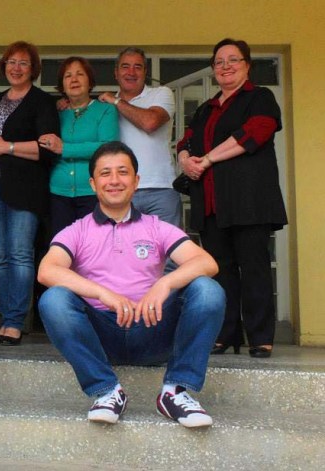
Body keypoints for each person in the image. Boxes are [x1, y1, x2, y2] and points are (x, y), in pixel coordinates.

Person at [37, 141, 224, 428]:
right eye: (105, 173)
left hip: (152, 330)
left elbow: (206, 262)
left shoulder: (156, 226)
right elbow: (47, 270)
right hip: (101, 336)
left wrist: (165, 284)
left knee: (208, 290)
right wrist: (103, 293)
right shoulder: (76, 231)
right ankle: (106, 390)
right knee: (54, 299)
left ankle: (175, 391)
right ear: (93, 183)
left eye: (122, 172)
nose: (114, 180)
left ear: (136, 181)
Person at [177, 38, 287, 358]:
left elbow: (254, 133)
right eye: (219, 62)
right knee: (219, 272)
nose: (225, 66)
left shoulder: (260, 98)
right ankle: (225, 334)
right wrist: (185, 160)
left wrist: (207, 159)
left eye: (233, 60)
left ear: (247, 65)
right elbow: (185, 140)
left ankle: (260, 337)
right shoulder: (206, 108)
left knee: (254, 269)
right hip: (212, 204)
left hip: (249, 201)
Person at [0, 41, 59, 346]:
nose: (16, 68)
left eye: (23, 63)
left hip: (26, 187)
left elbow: (47, 149)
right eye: (11, 62)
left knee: (20, 253)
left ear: (33, 69)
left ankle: (16, 322)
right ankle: (6, 320)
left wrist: (8, 147)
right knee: (0, 256)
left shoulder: (42, 101)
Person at [98, 47, 181, 227]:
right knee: (122, 245)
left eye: (137, 67)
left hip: (161, 189)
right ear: (116, 73)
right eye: (125, 66)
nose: (131, 72)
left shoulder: (161, 93)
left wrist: (116, 101)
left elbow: (150, 123)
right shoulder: (105, 107)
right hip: (121, 189)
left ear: (145, 72)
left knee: (166, 246)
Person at [39, 57, 119, 236]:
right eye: (68, 76)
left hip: (94, 192)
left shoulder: (105, 110)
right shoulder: (55, 113)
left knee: (95, 246)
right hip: (58, 193)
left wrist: (64, 149)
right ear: (62, 85)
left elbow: (108, 148)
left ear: (90, 81)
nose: (74, 80)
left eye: (80, 74)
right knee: (62, 246)